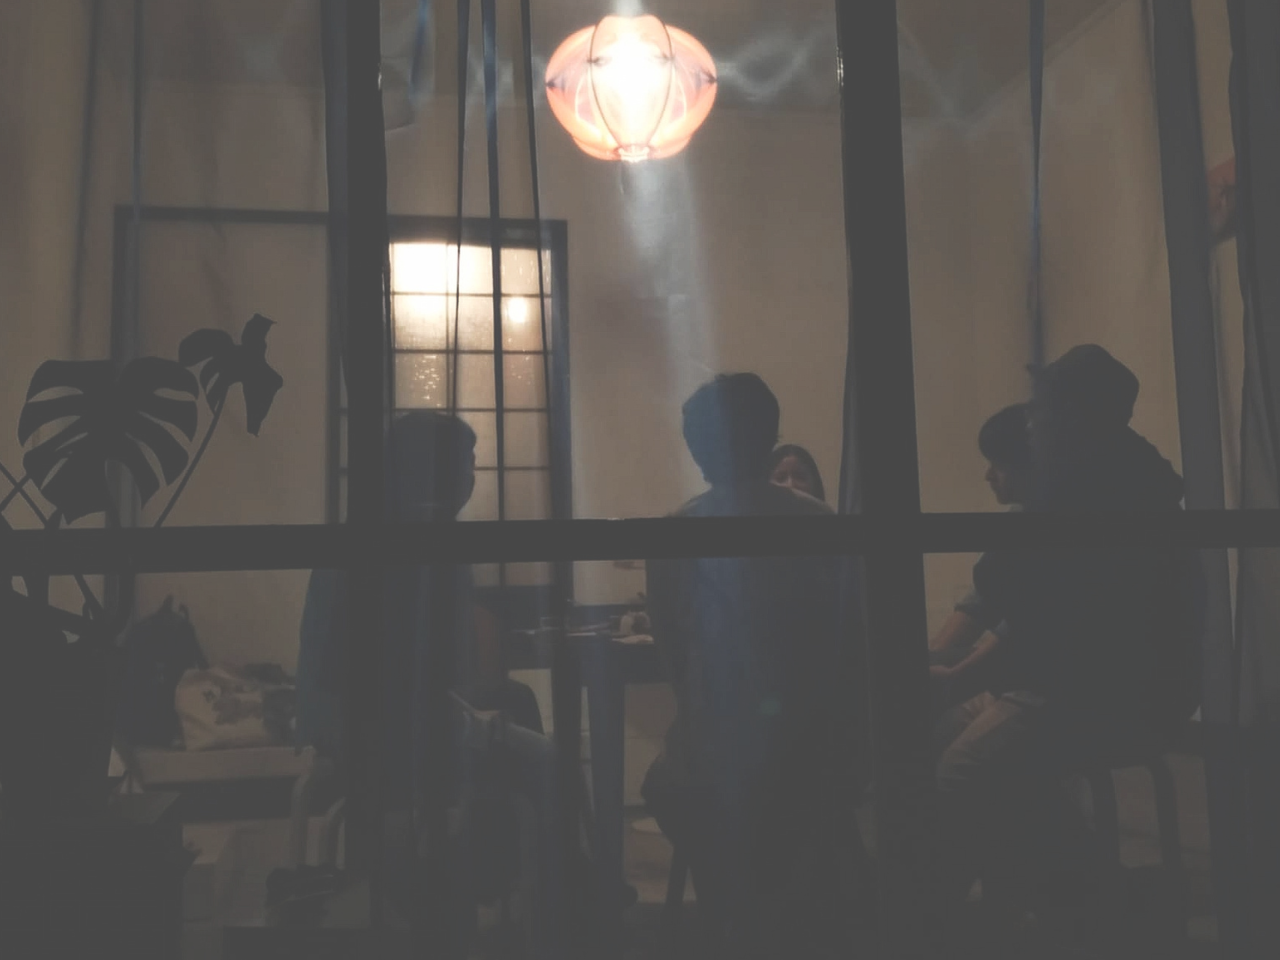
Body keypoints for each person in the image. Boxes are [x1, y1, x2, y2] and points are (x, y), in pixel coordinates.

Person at [932, 346, 1200, 945]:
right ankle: (1076, 894)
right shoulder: (1109, 481)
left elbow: (1047, 622)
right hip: (1089, 680)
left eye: (1041, 409)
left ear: (1076, 417)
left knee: (962, 774)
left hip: (1111, 693)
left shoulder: (1100, 496)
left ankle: (936, 922)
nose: (1031, 423)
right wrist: (957, 675)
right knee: (958, 738)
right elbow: (1027, 612)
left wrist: (957, 676)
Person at [295, 411, 561, 957]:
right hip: (381, 726)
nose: (470, 479)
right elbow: (435, 669)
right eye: (463, 465)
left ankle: (519, 876)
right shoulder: (416, 546)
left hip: (360, 714)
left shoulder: (365, 532)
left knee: (515, 703)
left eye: (472, 465)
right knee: (541, 755)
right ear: (426, 473)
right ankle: (527, 884)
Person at [642, 373, 854, 957]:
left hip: (724, 747)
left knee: (669, 787)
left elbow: (674, 654)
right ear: (770, 437)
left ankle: (734, 910)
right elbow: (845, 637)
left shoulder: (676, 532)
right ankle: (780, 906)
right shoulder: (821, 521)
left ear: (699, 449)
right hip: (816, 740)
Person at [929, 404, 1031, 710]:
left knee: (956, 746)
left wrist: (953, 675)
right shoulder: (1020, 517)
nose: (988, 475)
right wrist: (932, 660)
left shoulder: (1049, 525)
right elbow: (981, 602)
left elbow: (1021, 626)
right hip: (1020, 670)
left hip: (1045, 679)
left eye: (998, 465)